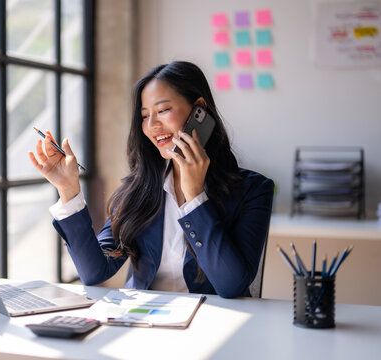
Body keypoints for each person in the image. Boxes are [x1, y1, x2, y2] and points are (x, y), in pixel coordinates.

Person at [29, 61, 274, 298]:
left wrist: (196, 197)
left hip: (213, 328)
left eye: (164, 110)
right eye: (144, 115)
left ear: (199, 109)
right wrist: (68, 189)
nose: (152, 125)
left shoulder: (254, 190)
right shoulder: (138, 190)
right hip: (145, 325)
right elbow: (95, 273)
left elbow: (231, 286)